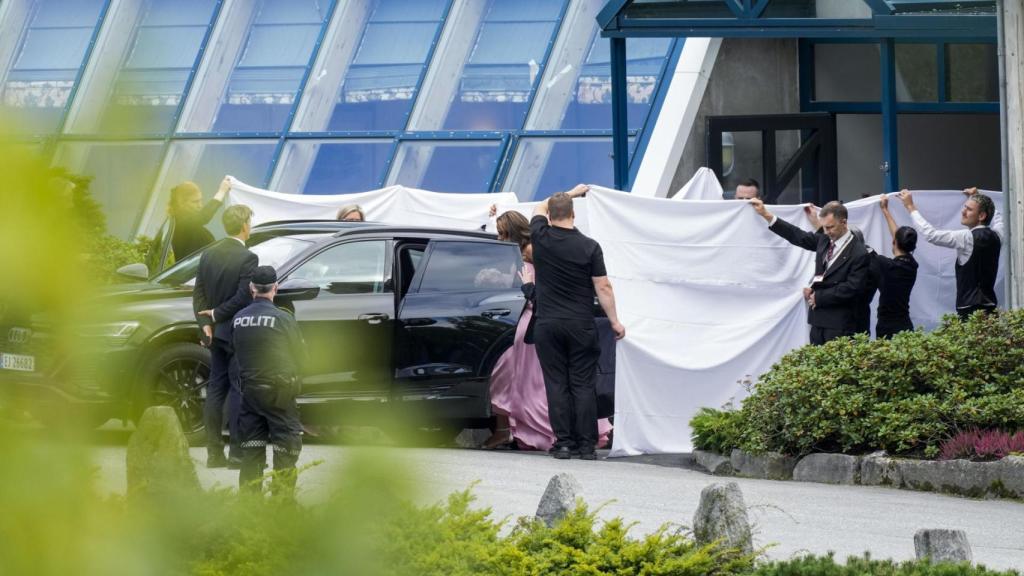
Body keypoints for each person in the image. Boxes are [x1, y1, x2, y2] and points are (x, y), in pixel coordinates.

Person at [483, 210, 612, 451]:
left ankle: (557, 434)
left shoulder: (532, 250)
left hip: (537, 318)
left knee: (541, 382)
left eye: (502, 233)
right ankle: (556, 435)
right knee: (526, 380)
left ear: (513, 232)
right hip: (531, 319)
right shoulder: (518, 252)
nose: (500, 238)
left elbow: (546, 285)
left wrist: (528, 288)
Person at [531, 184, 625, 460]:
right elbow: (603, 287)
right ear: (574, 215)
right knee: (583, 385)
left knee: (556, 384)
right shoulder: (590, 247)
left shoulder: (541, 236)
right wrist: (615, 322)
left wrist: (569, 193)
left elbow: (539, 206)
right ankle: (586, 446)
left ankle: (563, 443)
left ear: (550, 216)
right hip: (581, 324)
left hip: (548, 324)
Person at [751, 199, 870, 345]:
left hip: (840, 323)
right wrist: (766, 215)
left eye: (830, 227)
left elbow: (853, 288)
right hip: (817, 320)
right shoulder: (824, 240)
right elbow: (797, 236)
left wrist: (819, 297)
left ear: (844, 222)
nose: (827, 232)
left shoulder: (859, 252)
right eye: (824, 227)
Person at [193, 204, 258, 468]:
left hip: (214, 334)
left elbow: (198, 293)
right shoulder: (248, 257)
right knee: (237, 389)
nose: (250, 227)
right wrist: (217, 314)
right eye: (250, 222)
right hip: (236, 332)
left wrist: (205, 322)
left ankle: (213, 454)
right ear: (244, 225)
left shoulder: (208, 254)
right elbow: (243, 296)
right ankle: (237, 455)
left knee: (215, 390)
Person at [232, 265, 306, 495]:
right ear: (276, 287)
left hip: (250, 394)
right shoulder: (283, 318)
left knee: (251, 451)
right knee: (286, 450)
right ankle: (281, 504)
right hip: (279, 395)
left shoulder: (238, 318)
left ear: (251, 288)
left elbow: (236, 352)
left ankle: (249, 505)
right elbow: (301, 356)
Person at [898, 188, 1003, 320]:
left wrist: (910, 206)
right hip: (991, 307)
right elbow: (999, 219)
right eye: (965, 207)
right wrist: (977, 196)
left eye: (969, 209)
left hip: (969, 310)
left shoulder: (966, 237)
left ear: (981, 216)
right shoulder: (998, 235)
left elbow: (932, 235)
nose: (963, 211)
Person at [876, 194, 919, 338]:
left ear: (894, 242)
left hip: (886, 328)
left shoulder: (885, 265)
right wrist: (885, 211)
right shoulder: (912, 265)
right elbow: (898, 236)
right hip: (905, 326)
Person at [168, 177, 230, 260]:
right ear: (181, 203)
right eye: (195, 202)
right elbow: (203, 217)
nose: (200, 205)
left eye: (201, 200)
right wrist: (221, 192)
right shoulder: (181, 222)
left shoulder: (187, 222)